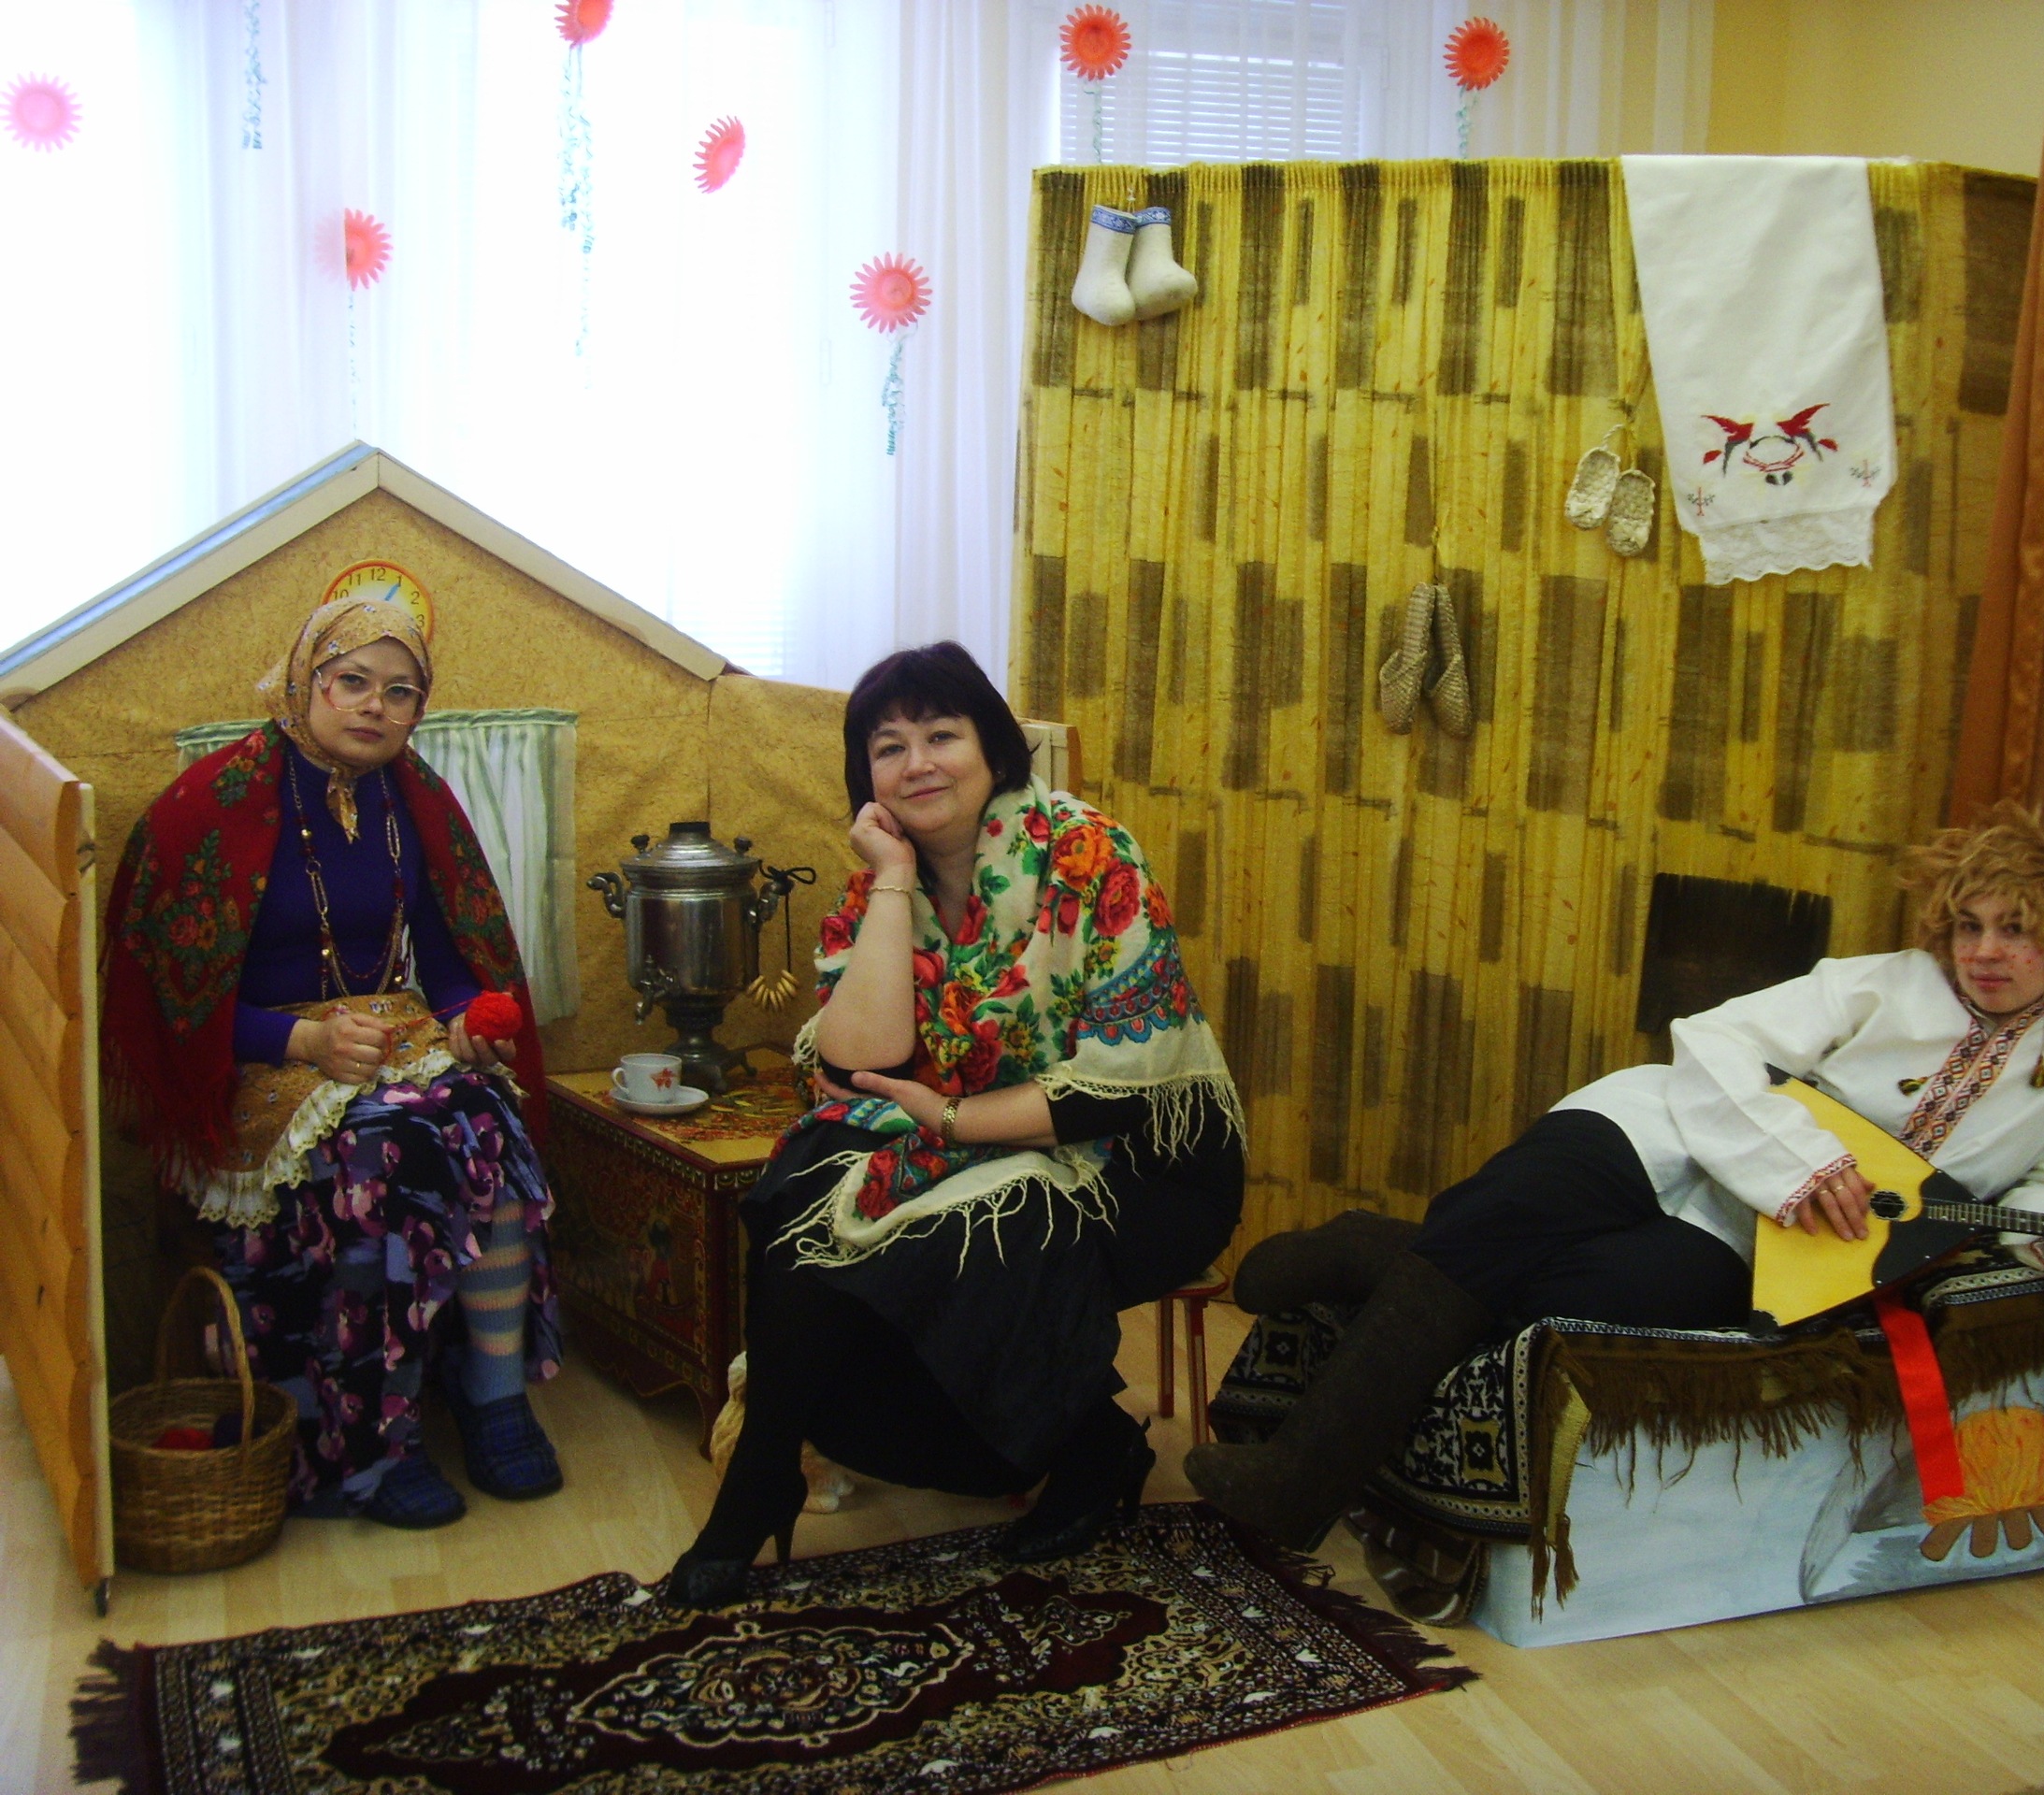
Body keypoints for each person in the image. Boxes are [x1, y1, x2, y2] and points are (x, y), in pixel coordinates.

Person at [1187, 802, 2044, 1546]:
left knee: (1570, 1303)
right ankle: (1297, 1483)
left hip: (1766, 1247)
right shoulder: (1883, 983)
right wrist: (1805, 1160)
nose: (1984, 952)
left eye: (2015, 930)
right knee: (1498, 1220)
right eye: (1968, 926)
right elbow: (1716, 1041)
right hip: (1660, 1132)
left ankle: (1366, 1248)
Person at [667, 642, 1245, 1606]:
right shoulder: (874, 885)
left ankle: (1089, 1447)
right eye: (889, 747)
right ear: (866, 776)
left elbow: (1119, 1090)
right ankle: (764, 1473)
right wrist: (894, 877)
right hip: (972, 1135)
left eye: (942, 735)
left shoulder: (1089, 855)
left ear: (994, 749)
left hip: (1140, 1163)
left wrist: (952, 1116)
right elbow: (859, 1062)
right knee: (805, 1179)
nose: (918, 763)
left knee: (972, 1231)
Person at [103, 576, 561, 1529]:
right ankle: (375, 1435)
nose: (374, 707)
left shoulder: (413, 801)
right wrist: (301, 1038)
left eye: (400, 692)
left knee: (490, 1125)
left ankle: (493, 1398)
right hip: (257, 1057)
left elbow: (447, 961)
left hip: (384, 1039)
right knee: (380, 1153)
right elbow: (167, 1004)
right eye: (352, 681)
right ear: (304, 680)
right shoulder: (209, 805)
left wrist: (465, 1022)